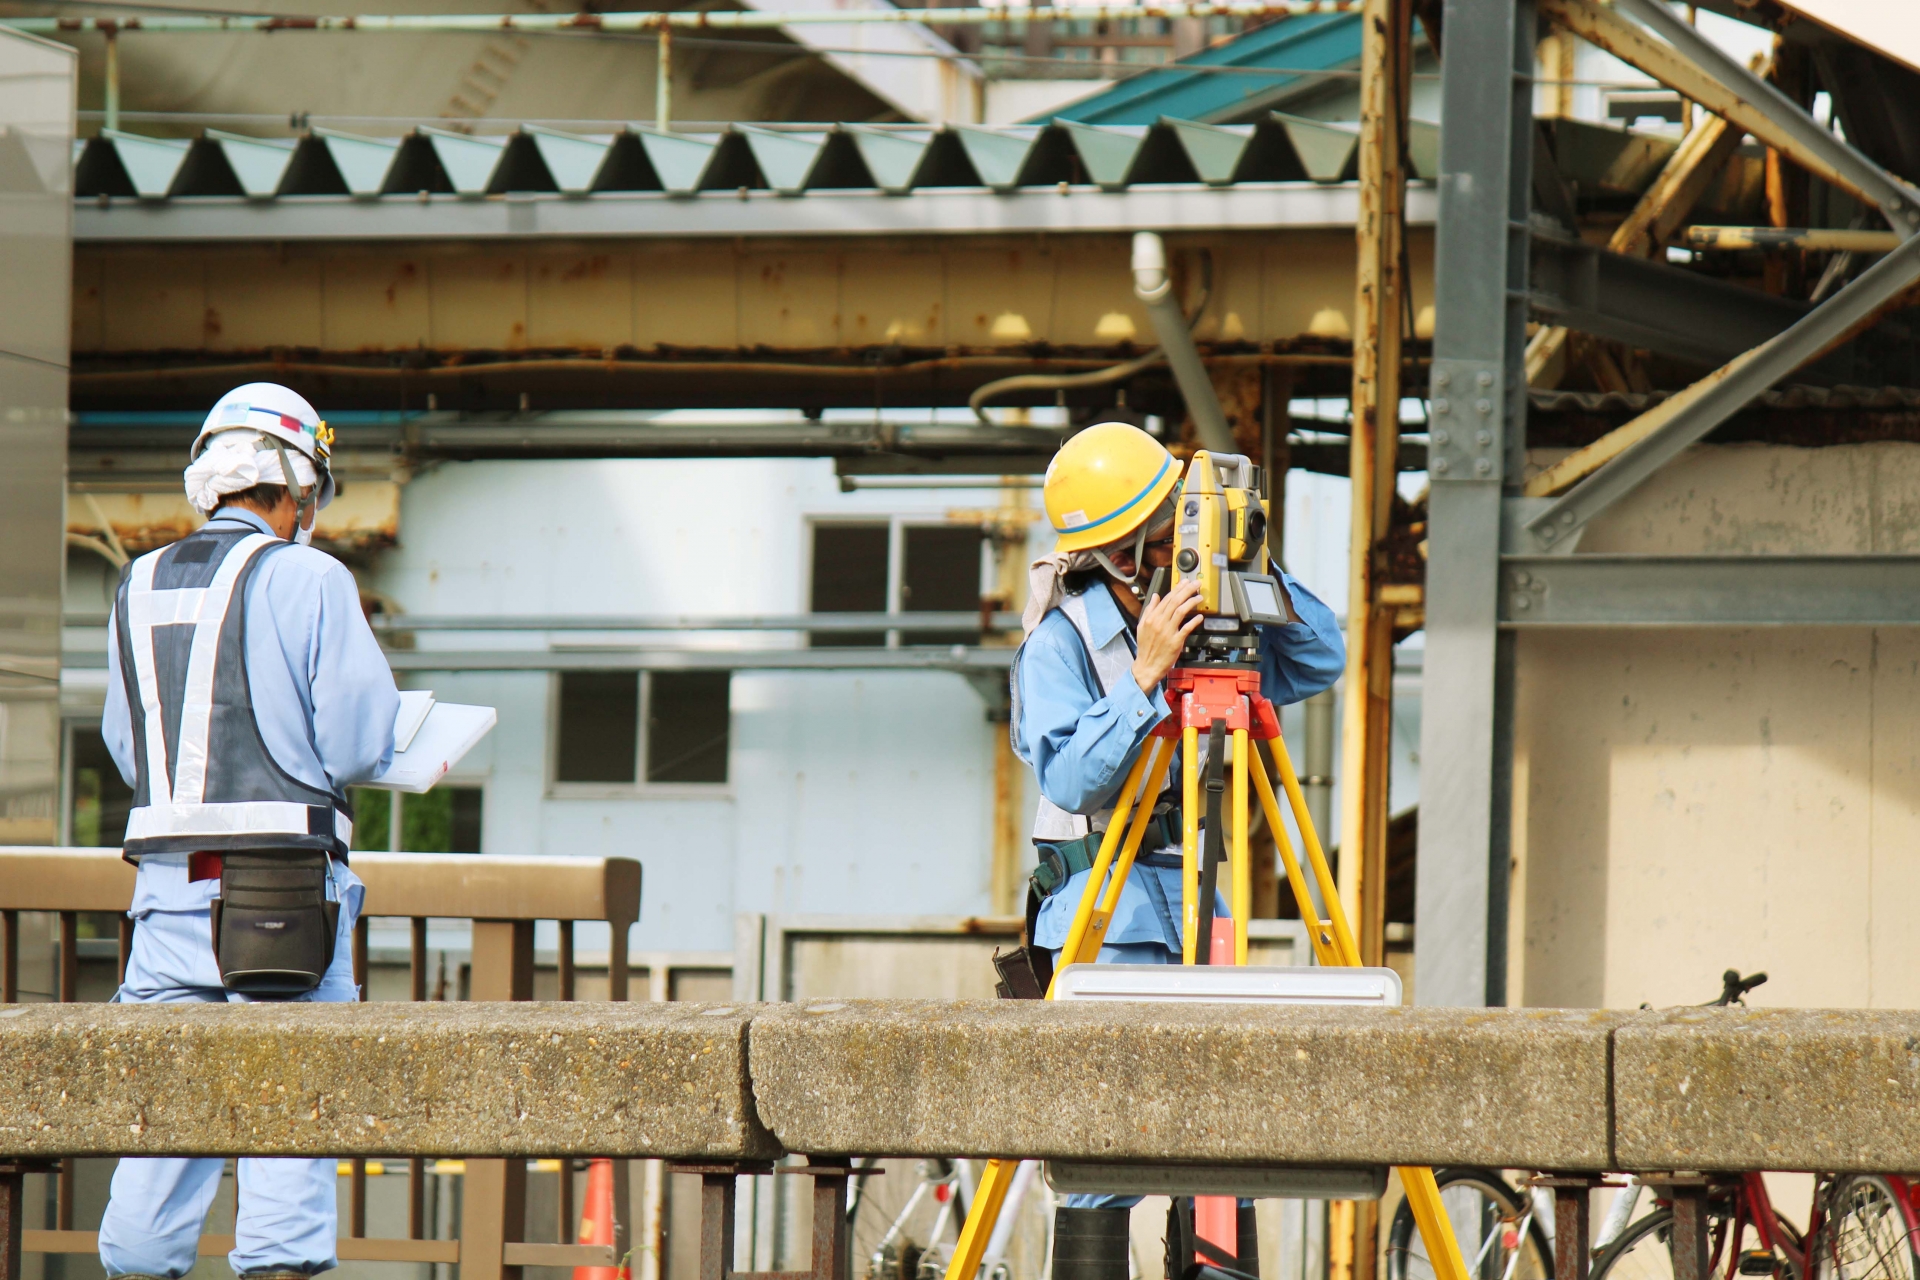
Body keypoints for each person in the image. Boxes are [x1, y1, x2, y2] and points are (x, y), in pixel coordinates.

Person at [1008, 421, 1344, 1280]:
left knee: (1221, 1140)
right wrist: (1144, 679)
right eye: (1171, 528)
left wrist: (1250, 569)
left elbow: (1321, 657)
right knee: (1101, 1156)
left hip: (1196, 898)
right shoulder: (1060, 645)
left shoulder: (1205, 617)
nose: (1186, 539)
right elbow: (1076, 780)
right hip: (1100, 910)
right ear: (1122, 554)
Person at [95, 382, 399, 1280]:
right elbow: (353, 741)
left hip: (162, 904)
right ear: (298, 486)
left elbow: (127, 743)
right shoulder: (310, 577)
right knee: (288, 1128)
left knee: (163, 1125)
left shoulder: (136, 581)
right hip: (284, 905)